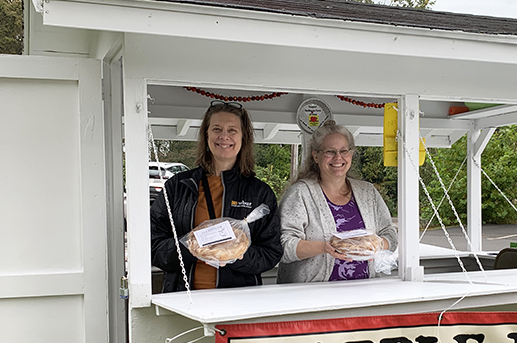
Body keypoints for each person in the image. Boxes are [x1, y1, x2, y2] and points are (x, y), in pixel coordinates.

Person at [151, 101, 282, 292]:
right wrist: (191, 248)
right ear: (207, 135)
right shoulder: (177, 187)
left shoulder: (260, 193)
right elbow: (153, 247)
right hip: (183, 298)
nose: (224, 136)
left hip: (238, 300)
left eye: (232, 130)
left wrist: (237, 254)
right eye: (217, 129)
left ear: (244, 137)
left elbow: (271, 253)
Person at [277, 120, 397, 283]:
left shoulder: (367, 192)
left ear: (351, 154)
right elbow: (282, 246)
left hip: (365, 291)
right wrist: (324, 247)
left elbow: (389, 234)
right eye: (330, 152)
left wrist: (376, 245)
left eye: (343, 151)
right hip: (311, 295)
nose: (338, 158)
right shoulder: (300, 194)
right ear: (316, 156)